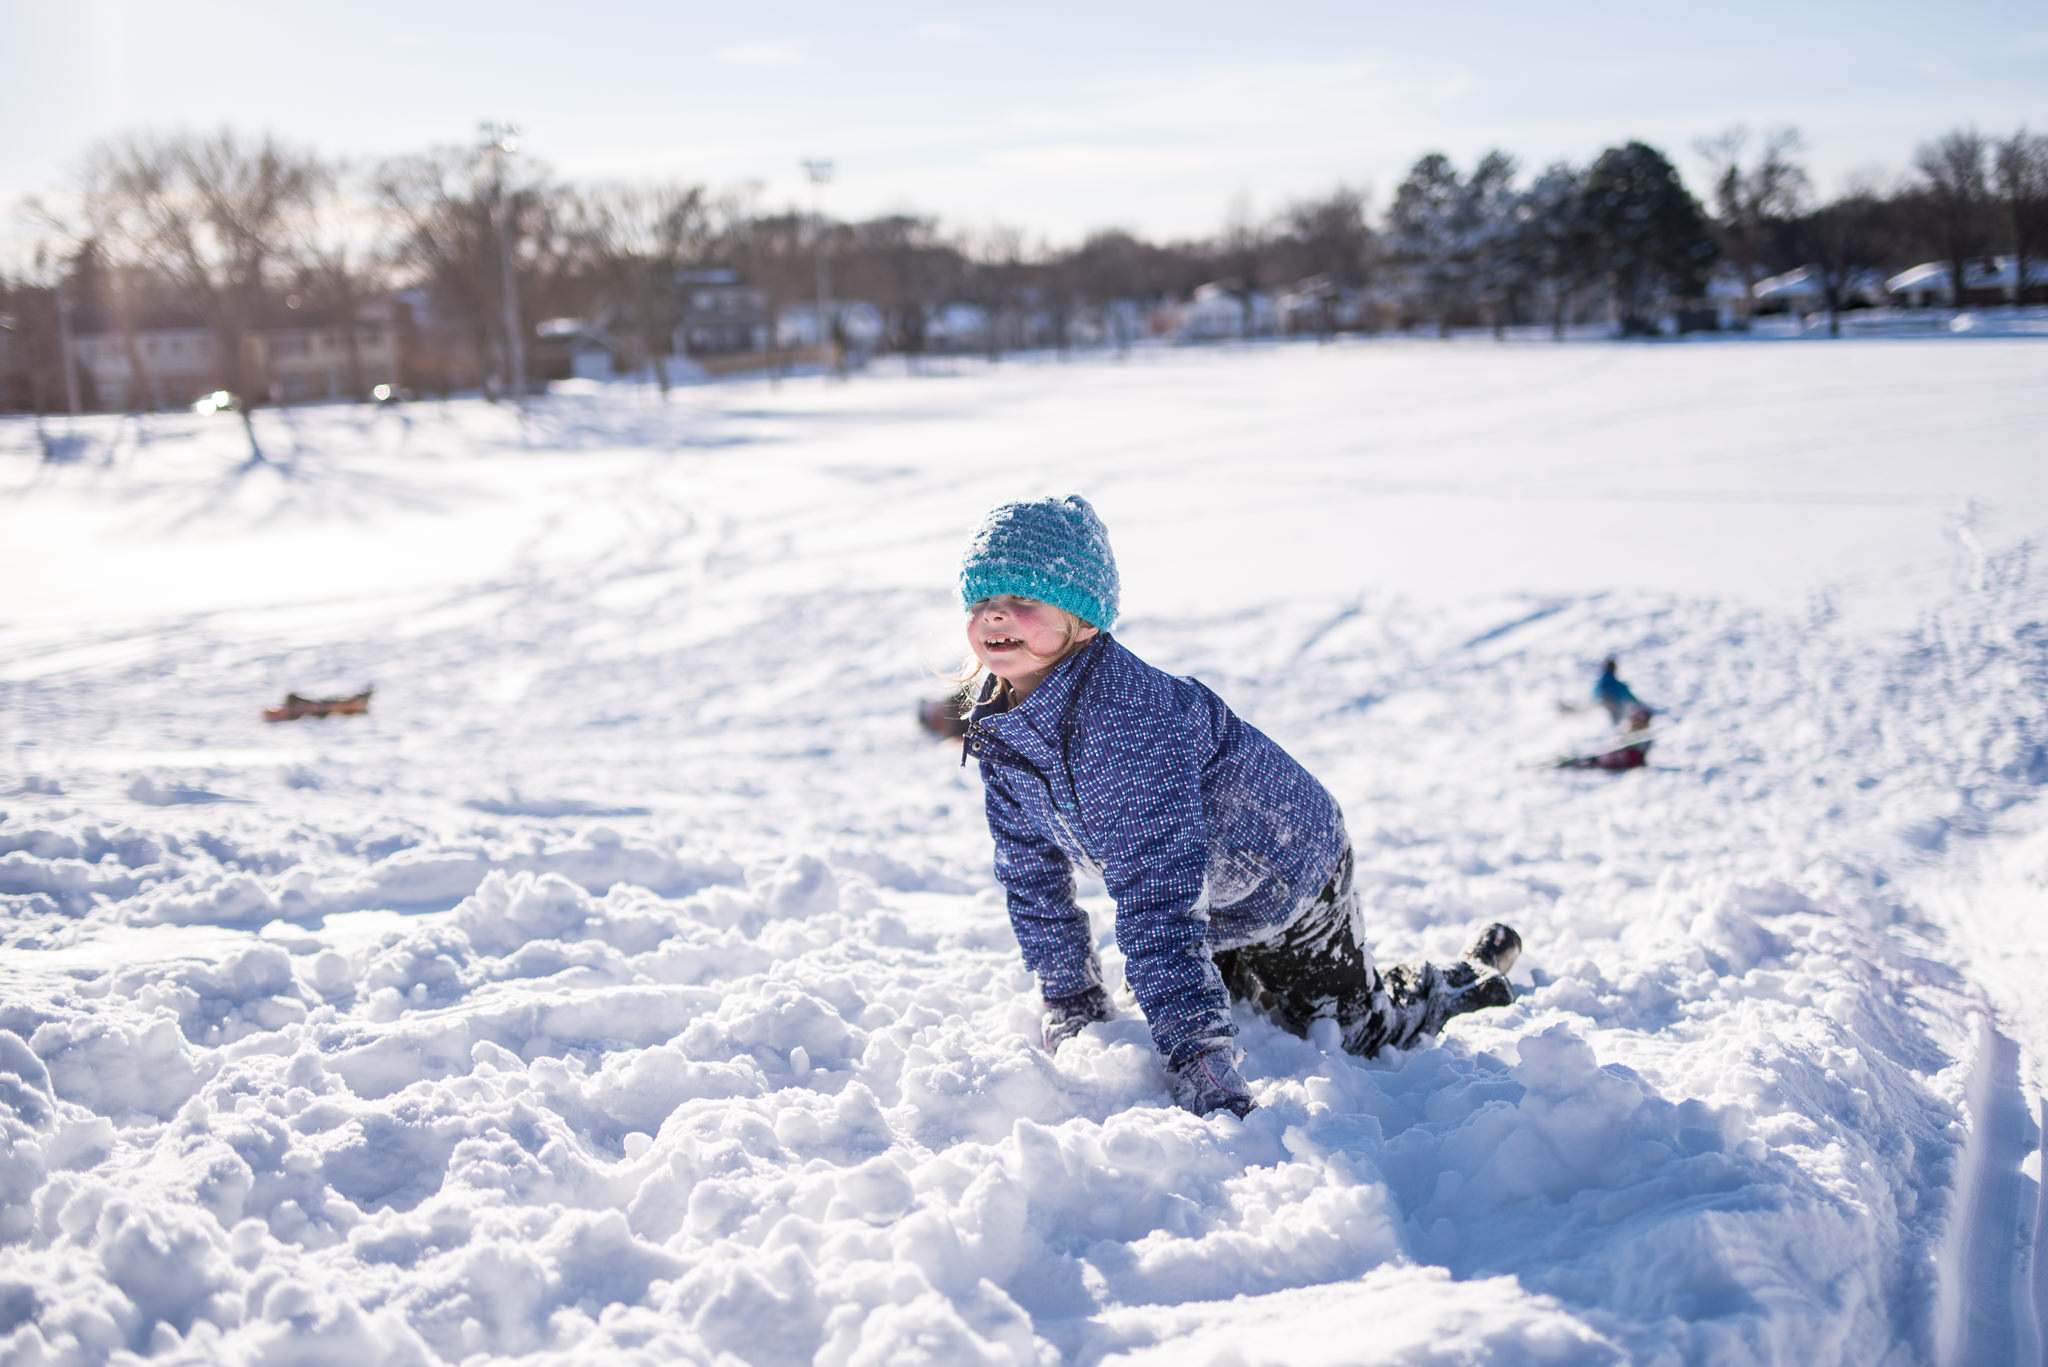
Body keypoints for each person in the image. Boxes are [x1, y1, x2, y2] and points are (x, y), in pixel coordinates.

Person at [956, 495, 1520, 1120]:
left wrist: (1196, 1054)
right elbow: (1031, 876)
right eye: (981, 600)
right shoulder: (1002, 726)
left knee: (1348, 1033)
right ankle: (1229, 981)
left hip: (1289, 878)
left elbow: (1159, 894)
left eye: (1024, 598)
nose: (995, 614)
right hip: (1211, 898)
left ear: (1086, 620)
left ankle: (1462, 981)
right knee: (1193, 997)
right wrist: (1071, 996)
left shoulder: (1130, 721)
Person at [1592, 658, 1651, 726]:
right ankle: (1619, 729)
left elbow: (1595, 694)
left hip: (1601, 703)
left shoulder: (1600, 682)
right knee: (1618, 717)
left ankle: (1615, 728)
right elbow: (1626, 694)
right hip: (1613, 703)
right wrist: (1639, 703)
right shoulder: (1614, 682)